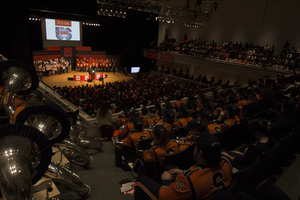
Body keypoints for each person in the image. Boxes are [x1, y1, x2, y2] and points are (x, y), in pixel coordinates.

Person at [135, 133, 232, 200]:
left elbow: (164, 198)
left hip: (186, 190)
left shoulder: (187, 181)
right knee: (170, 168)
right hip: (204, 189)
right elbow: (203, 174)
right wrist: (183, 172)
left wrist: (166, 181)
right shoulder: (226, 164)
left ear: (200, 154)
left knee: (141, 180)